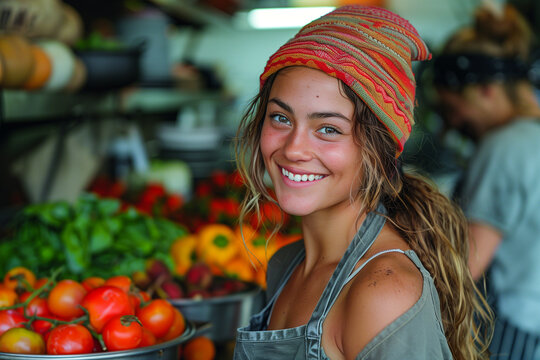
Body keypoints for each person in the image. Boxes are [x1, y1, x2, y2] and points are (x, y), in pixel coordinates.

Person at [233, 5, 492, 360]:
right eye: (280, 117)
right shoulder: (286, 265)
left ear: (378, 150)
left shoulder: (383, 291)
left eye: (328, 129)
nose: (294, 149)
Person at [432, 4, 540, 360]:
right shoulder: (531, 136)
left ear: (487, 91)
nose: (451, 124)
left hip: (511, 328)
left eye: (453, 109)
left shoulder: (504, 147)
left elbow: (466, 264)